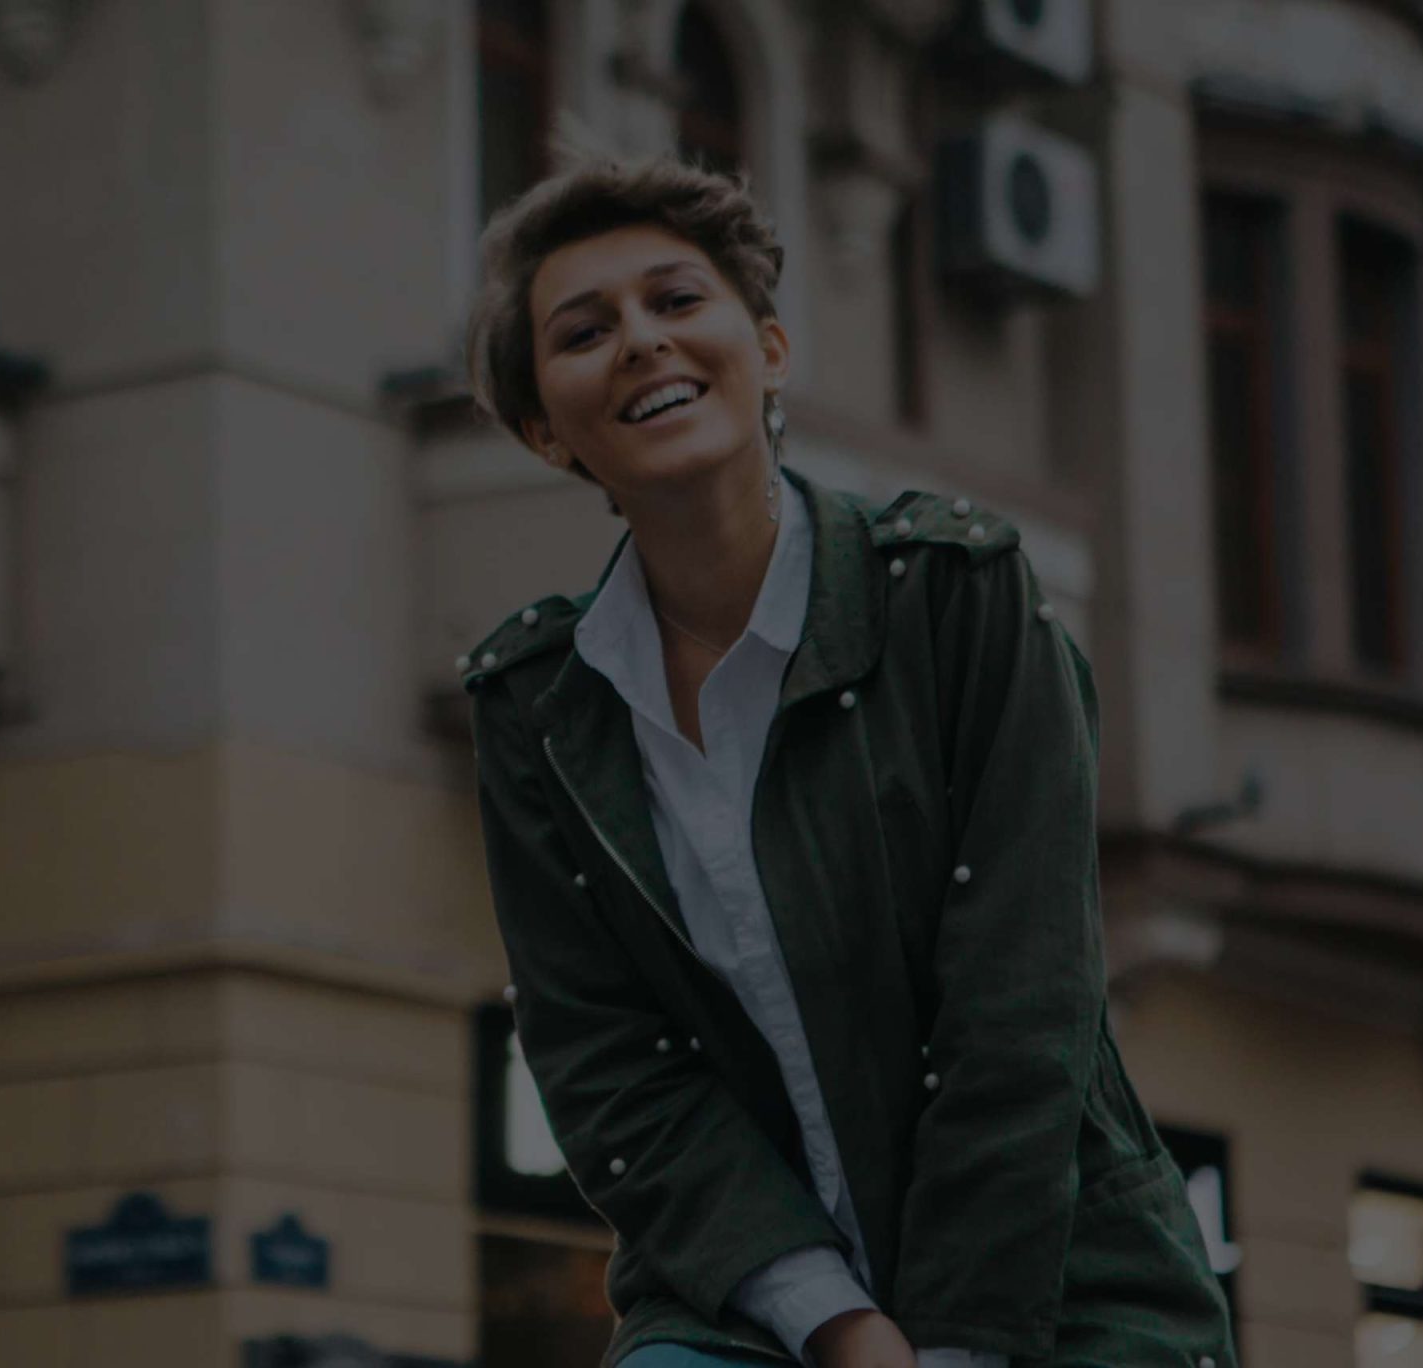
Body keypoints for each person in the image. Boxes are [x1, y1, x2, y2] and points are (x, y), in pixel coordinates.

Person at [457, 149, 1236, 1368]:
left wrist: (956, 1344)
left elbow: (1019, 1008)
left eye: (676, 300)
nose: (641, 342)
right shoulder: (533, 706)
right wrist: (836, 1323)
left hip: (1057, 1284)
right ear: (543, 429)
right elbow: (604, 1066)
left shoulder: (958, 595)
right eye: (583, 331)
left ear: (768, 349)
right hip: (747, 1307)